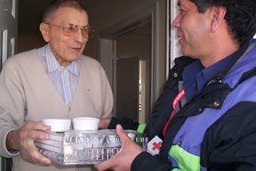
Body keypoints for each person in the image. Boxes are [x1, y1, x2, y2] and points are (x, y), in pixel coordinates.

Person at [96, 0, 256, 170]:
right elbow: (161, 134)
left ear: (215, 17)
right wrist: (114, 125)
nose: (175, 22)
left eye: (184, 11)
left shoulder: (249, 104)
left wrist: (139, 164)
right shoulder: (186, 75)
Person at [0, 0, 113, 171]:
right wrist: (16, 139)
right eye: (70, 28)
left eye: (85, 30)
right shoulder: (17, 67)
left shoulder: (96, 70)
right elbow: (1, 126)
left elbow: (106, 124)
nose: (80, 39)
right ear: (46, 31)